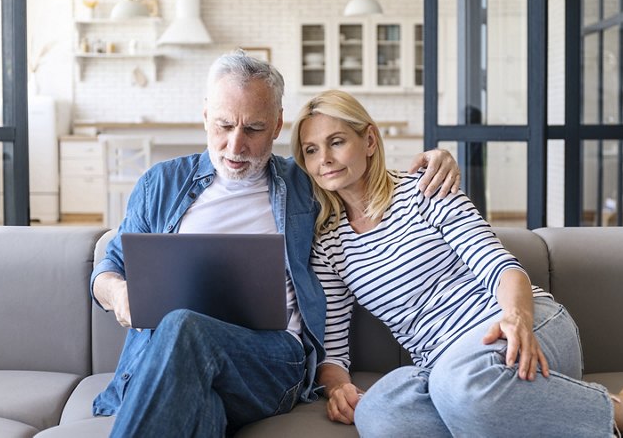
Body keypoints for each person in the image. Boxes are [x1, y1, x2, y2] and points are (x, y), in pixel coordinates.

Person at [90, 52, 460, 437]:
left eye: (253, 128)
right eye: (224, 125)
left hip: (270, 362)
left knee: (185, 325)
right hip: (177, 362)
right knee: (202, 407)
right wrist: (118, 293)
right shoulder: (161, 184)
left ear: (278, 126)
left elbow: (363, 174)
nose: (236, 146)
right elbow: (107, 268)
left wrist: (437, 161)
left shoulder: (304, 184)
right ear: (205, 116)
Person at [290, 89, 623, 437]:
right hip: (443, 369)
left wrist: (516, 317)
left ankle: (615, 415)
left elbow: (500, 267)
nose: (324, 159)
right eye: (311, 150)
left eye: (337, 142)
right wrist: (336, 388)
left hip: (517, 327)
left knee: (464, 385)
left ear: (370, 140)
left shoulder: (426, 190)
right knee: (380, 415)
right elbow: (333, 348)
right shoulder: (328, 243)